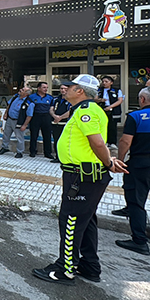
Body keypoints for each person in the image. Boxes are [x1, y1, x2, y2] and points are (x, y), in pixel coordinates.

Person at [32, 74, 128, 285]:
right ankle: (90, 266)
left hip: (83, 176)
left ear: (80, 91)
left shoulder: (87, 111)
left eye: (70, 86)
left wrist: (109, 163)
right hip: (81, 174)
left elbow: (97, 143)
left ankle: (65, 270)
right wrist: (107, 161)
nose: (64, 89)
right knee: (86, 220)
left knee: (71, 220)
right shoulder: (83, 110)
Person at [114, 87, 150, 255]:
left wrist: (120, 160)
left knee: (136, 201)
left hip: (140, 164)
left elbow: (125, 141)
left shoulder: (135, 116)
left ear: (142, 100)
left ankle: (139, 240)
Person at [0, 87, 34, 159]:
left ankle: (19, 152)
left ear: (26, 94)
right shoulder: (15, 97)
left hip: (18, 122)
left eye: (23, 90)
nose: (20, 90)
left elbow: (29, 116)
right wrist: (6, 114)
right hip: (9, 119)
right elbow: (9, 105)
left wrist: (24, 125)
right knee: (6, 134)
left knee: (19, 137)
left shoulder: (29, 103)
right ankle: (4, 147)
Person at [97, 76, 124, 149]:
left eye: (106, 81)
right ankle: (104, 142)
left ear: (111, 82)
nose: (104, 83)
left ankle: (112, 143)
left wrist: (110, 107)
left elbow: (120, 100)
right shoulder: (99, 90)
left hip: (112, 110)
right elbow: (94, 99)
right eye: (103, 82)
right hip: (102, 109)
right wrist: (100, 100)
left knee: (112, 126)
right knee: (103, 126)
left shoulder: (116, 90)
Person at [28, 82, 54, 159]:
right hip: (35, 117)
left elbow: (52, 108)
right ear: (38, 88)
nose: (46, 89)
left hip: (46, 117)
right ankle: (32, 151)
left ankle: (48, 153)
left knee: (47, 136)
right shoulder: (32, 97)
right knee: (33, 135)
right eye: (44, 87)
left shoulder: (50, 97)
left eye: (46, 87)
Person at [49, 84, 72, 163]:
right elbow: (51, 109)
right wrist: (54, 116)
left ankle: (65, 158)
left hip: (65, 123)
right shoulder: (56, 99)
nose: (63, 90)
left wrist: (60, 117)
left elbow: (70, 111)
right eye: (61, 88)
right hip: (55, 123)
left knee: (65, 141)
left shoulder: (71, 99)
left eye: (65, 89)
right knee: (56, 140)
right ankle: (57, 157)